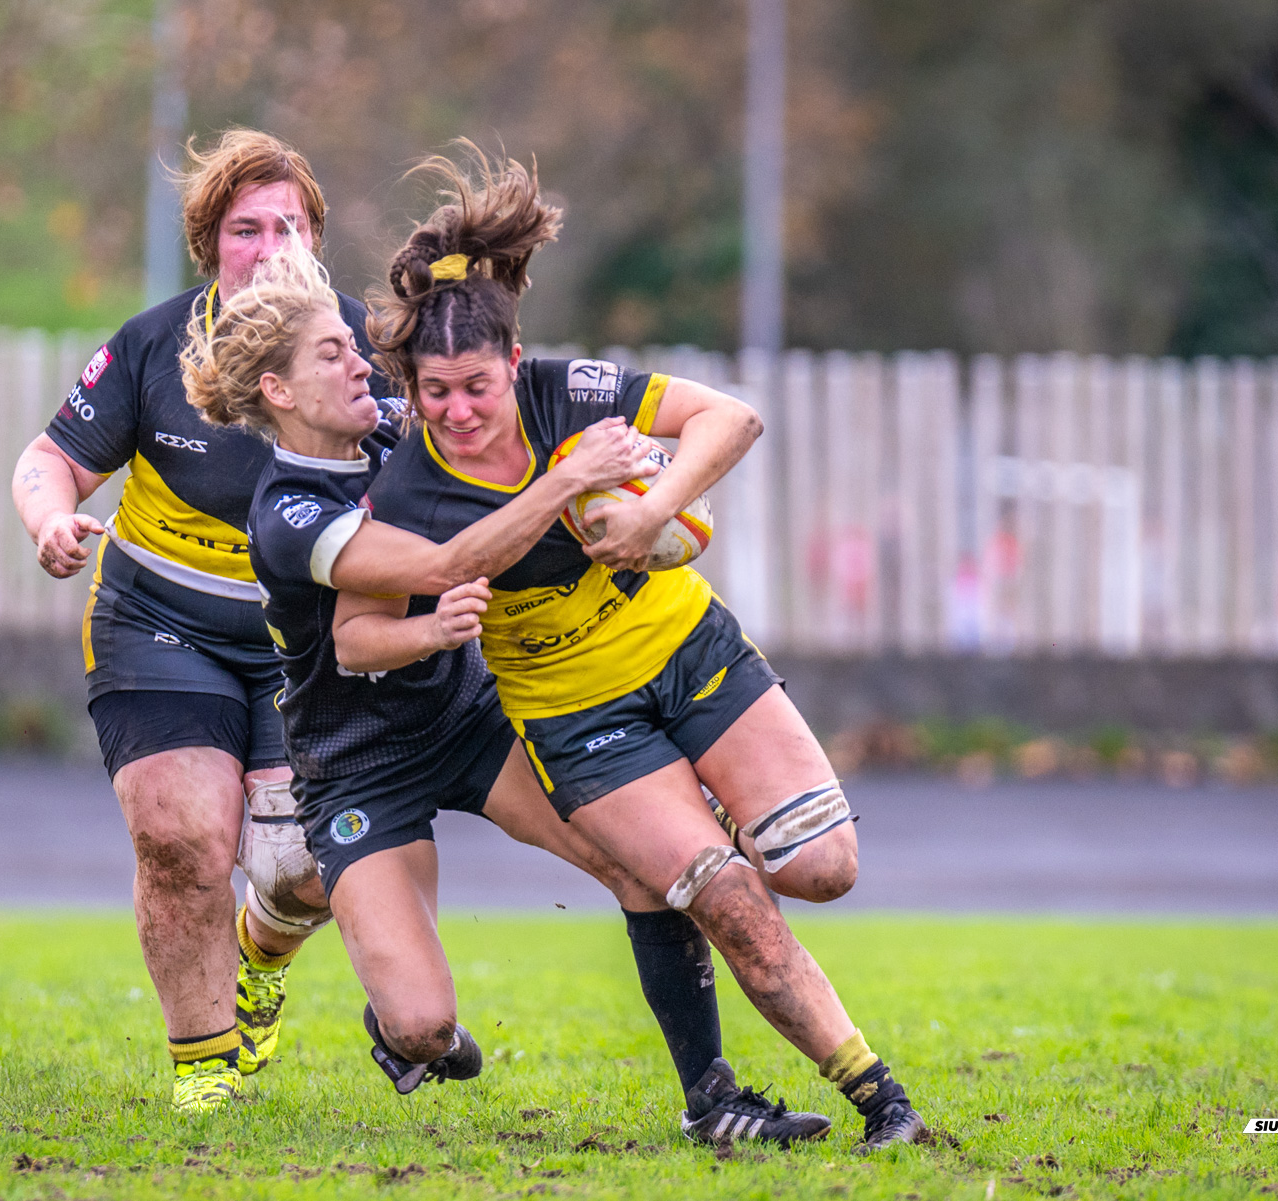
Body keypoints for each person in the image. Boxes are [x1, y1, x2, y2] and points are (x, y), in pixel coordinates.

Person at [180, 241, 830, 1145]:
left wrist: (637, 489)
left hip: (469, 717)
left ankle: (711, 1098)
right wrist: (567, 480)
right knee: (424, 1028)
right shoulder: (288, 513)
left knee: (647, 867)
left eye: (353, 343)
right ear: (282, 394)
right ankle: (373, 1005)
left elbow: (491, 399)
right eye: (332, 354)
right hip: (356, 763)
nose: (360, 361)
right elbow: (443, 569)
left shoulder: (397, 428)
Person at [348, 147, 928, 1152]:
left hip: (691, 650)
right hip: (577, 720)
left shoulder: (566, 393)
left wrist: (651, 508)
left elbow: (730, 417)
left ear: (512, 362)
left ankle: (700, 840)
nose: (458, 410)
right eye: (435, 390)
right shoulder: (404, 491)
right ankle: (883, 1104)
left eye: (476, 385)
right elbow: (356, 632)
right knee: (728, 898)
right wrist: (437, 621)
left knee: (821, 866)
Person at [10, 129, 369, 1114]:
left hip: (307, 649)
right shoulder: (152, 343)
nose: (268, 243)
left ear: (316, 240)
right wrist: (50, 518)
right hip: (157, 622)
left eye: (288, 224)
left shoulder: (364, 352)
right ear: (212, 244)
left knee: (313, 869)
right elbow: (51, 459)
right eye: (245, 228)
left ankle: (261, 952)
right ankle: (204, 1072)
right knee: (182, 839)